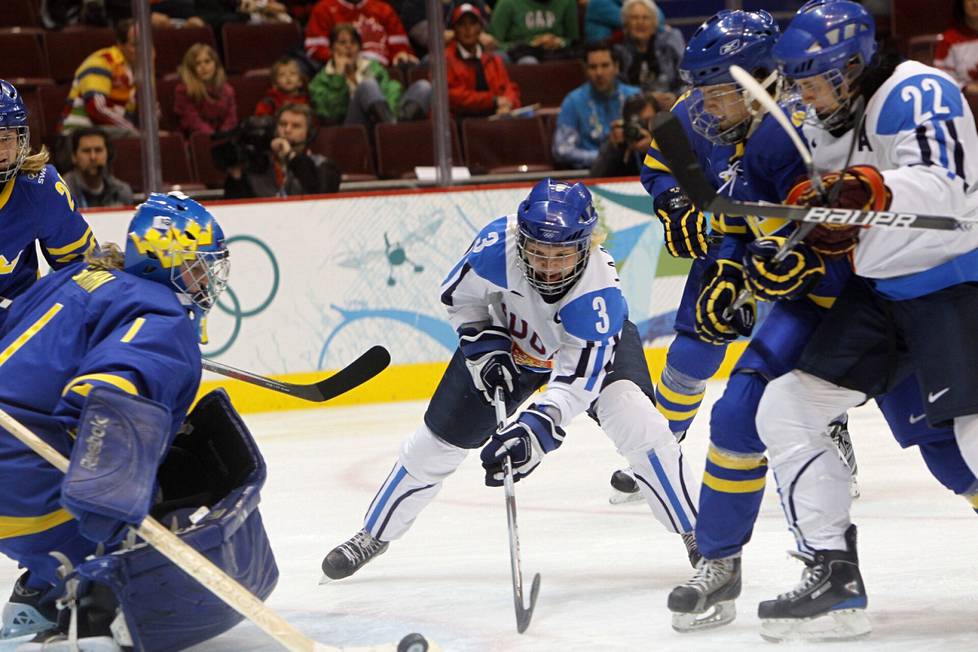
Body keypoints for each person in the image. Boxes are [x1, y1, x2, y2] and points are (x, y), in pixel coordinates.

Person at [320, 178, 701, 582]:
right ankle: (373, 533)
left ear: (586, 246)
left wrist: (535, 431)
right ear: (521, 240)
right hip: (512, 346)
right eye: (537, 252)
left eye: (561, 255)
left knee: (642, 426)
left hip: (580, 358)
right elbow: (460, 299)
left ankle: (700, 536)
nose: (548, 267)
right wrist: (484, 347)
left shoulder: (598, 297)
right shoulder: (495, 247)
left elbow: (576, 381)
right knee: (434, 446)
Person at [747, 0, 978, 641]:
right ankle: (834, 579)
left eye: (813, 80)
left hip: (958, 281)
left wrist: (868, 188)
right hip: (884, 295)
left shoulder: (917, 90)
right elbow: (840, 213)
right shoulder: (830, 124)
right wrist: (799, 242)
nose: (803, 95)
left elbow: (950, 187)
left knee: (971, 437)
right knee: (786, 407)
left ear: (850, 67)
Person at [0, 192, 279, 651]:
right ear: (165, 262)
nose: (206, 279)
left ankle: (38, 593)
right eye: (197, 265)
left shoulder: (80, 277)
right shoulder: (164, 318)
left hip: (12, 467)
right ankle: (99, 614)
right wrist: (111, 516)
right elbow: (106, 396)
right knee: (156, 493)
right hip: (22, 486)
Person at [0, 80, 96, 316]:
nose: (2, 151)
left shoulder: (40, 188)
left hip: (17, 326)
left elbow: (81, 267)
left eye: (7, 138)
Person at [309, 23, 432, 126]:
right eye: (342, 43)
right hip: (350, 128)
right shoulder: (321, 79)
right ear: (331, 49)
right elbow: (332, 116)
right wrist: (338, 78)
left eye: (353, 42)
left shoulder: (373, 68)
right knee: (367, 85)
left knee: (423, 87)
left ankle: (393, 129)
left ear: (359, 47)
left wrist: (390, 112)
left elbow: (392, 92)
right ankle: (393, 130)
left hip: (383, 121)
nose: (348, 47)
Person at [553, 42, 640, 169]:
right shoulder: (573, 101)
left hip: (632, 171)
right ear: (586, 70)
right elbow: (562, 150)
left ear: (616, 67)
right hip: (590, 174)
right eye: (593, 67)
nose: (599, 73)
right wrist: (603, 157)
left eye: (605, 66)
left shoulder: (635, 97)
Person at [224, 103, 340, 198]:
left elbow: (322, 195)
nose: (287, 130)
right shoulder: (257, 164)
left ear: (309, 133)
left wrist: (290, 156)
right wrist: (236, 178)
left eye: (296, 126)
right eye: (283, 124)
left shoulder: (323, 165)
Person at [59, 18, 140, 139]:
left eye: (147, 44)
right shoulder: (102, 61)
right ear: (120, 44)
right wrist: (137, 132)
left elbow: (149, 115)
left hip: (108, 132)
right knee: (140, 139)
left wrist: (150, 72)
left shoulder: (136, 72)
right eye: (135, 45)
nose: (143, 50)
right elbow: (96, 108)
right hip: (78, 132)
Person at [444, 3, 521, 120]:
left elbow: (508, 88)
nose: (468, 29)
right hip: (460, 122)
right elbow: (452, 96)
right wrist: (492, 101)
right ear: (454, 30)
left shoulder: (493, 60)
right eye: (462, 24)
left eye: (472, 23)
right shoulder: (445, 60)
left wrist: (508, 103)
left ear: (480, 28)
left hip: (495, 119)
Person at [613, 0, 684, 109]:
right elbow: (616, 88)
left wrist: (675, 97)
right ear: (626, 24)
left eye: (645, 18)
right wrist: (647, 98)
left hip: (671, 107)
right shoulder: (618, 51)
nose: (640, 22)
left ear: (654, 23)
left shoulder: (669, 45)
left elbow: (685, 79)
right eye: (634, 18)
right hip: (635, 109)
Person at [304, 0, 419, 67]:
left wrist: (400, 54)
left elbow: (400, 47)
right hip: (345, 72)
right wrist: (340, 58)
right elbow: (314, 49)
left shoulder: (383, 8)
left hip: (384, 70)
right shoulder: (324, 8)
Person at [174, 43, 238, 137]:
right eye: (197, 63)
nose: (203, 67)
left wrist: (223, 135)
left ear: (215, 64)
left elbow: (231, 118)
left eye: (207, 61)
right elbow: (191, 121)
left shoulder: (228, 90)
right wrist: (213, 136)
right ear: (191, 68)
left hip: (223, 139)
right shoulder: (183, 91)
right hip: (196, 140)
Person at [62, 126, 134, 208]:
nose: (93, 157)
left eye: (98, 150)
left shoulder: (122, 192)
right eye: (86, 151)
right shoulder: (62, 192)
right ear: (74, 157)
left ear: (108, 154)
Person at [489, 0, 579, 63]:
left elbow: (574, 40)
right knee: (528, 61)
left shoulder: (567, 2)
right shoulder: (507, 3)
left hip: (558, 54)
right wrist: (531, 44)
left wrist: (559, 42)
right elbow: (494, 44)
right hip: (520, 55)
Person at [589, 92, 655, 178]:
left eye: (647, 122)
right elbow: (595, 180)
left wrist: (654, 149)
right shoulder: (620, 141)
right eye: (637, 123)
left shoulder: (665, 140)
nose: (640, 129)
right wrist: (613, 148)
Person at [935, 0, 978, 92]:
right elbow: (942, 78)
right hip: (964, 100)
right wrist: (965, 87)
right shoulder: (949, 39)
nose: (975, 2)